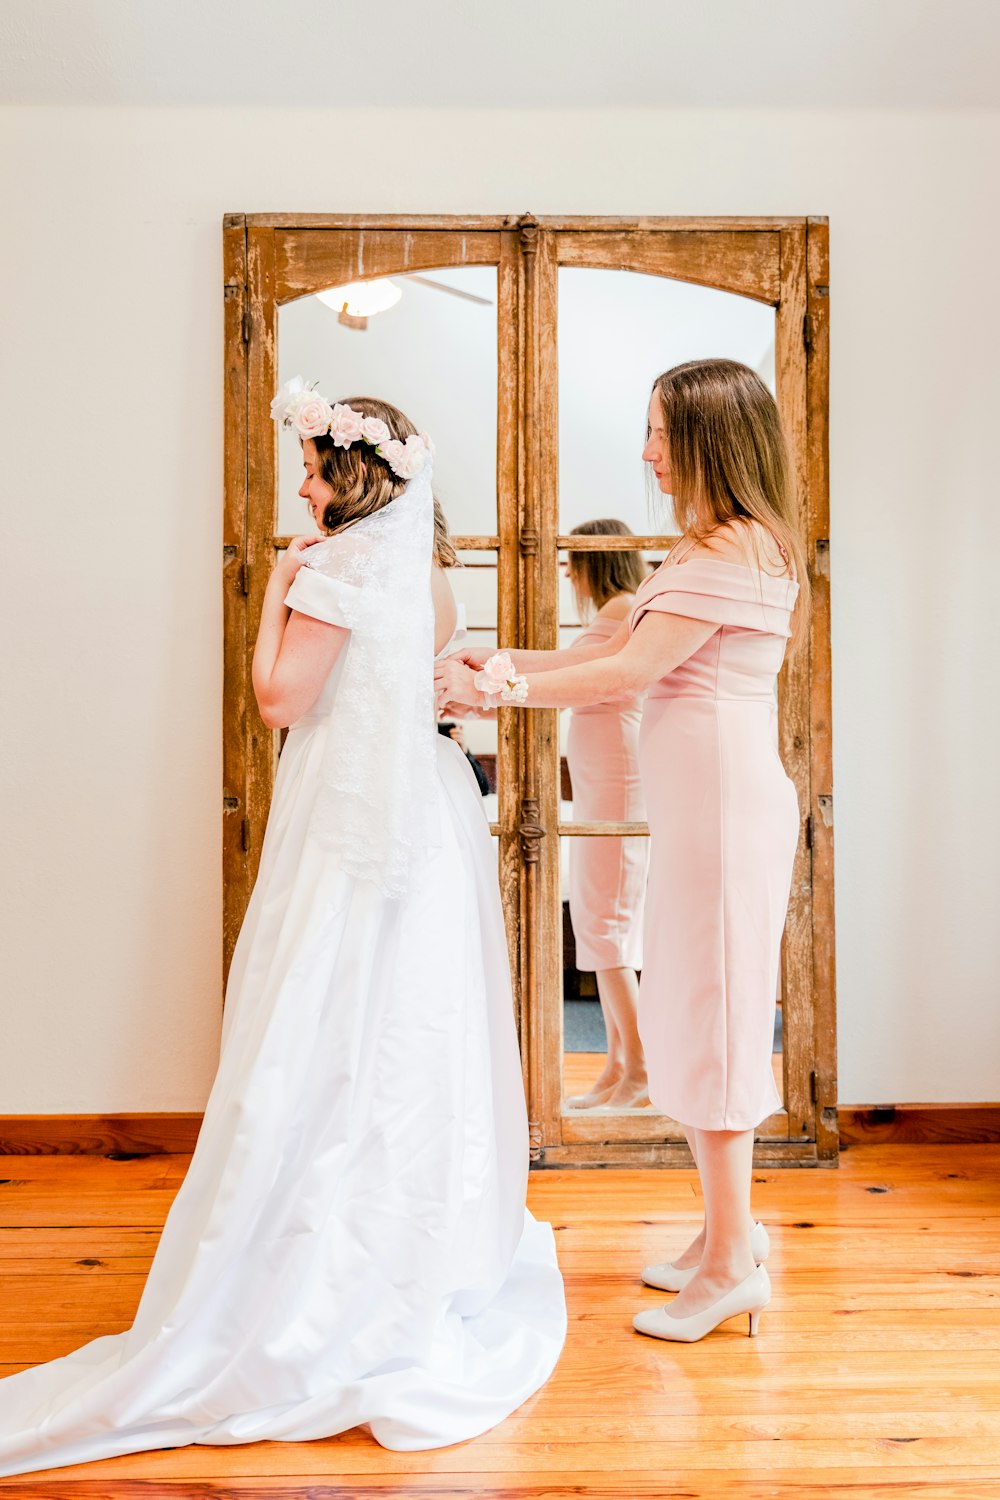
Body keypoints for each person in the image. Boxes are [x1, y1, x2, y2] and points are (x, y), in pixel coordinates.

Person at [0, 383, 566, 1478]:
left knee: (317, 1012)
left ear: (350, 478)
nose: (301, 483)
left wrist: (274, 589)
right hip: (426, 813)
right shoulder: (431, 579)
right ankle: (410, 1242)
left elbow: (279, 701)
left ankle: (299, 1274)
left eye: (311, 465)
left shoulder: (336, 569)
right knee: (409, 1026)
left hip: (345, 822)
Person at [436, 357, 807, 1344]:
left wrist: (504, 689)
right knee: (693, 1008)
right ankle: (721, 1233)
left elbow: (630, 673)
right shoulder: (708, 550)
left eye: (659, 432)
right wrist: (509, 661)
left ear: (709, 440)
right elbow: (607, 654)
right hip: (703, 813)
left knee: (717, 1019)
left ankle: (732, 1262)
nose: (646, 451)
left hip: (727, 817)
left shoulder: (736, 550)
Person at [562, 520, 650, 1110]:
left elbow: (570, 679)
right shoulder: (617, 608)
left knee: (607, 926)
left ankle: (640, 1070)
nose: (568, 573)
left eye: (574, 561)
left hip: (616, 790)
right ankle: (617, 1065)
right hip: (603, 788)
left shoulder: (622, 609)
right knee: (601, 923)